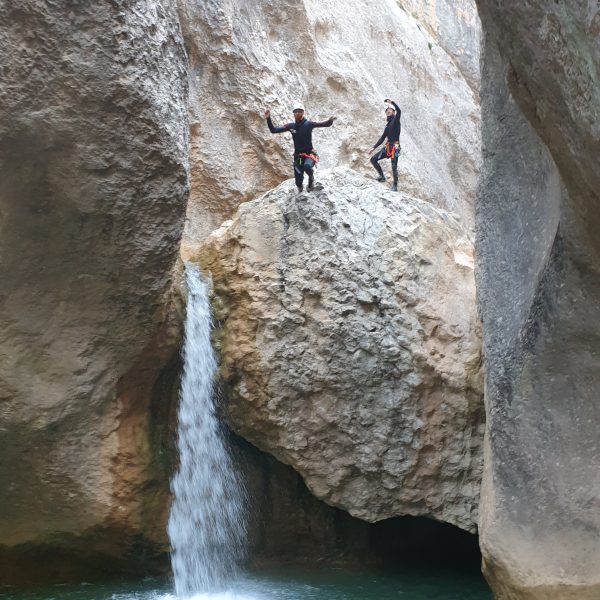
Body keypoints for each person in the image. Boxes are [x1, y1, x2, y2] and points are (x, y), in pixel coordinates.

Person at [265, 103, 336, 192]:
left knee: (307, 166)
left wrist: (330, 120)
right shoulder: (291, 126)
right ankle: (300, 188)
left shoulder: (309, 124)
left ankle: (311, 179)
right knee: (298, 182)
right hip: (298, 157)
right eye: (296, 112)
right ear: (293, 113)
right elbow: (274, 130)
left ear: (303, 113)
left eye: (300, 111)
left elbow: (325, 124)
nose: (298, 113)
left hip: (309, 154)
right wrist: (268, 119)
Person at [368, 98, 401, 191]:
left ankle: (395, 186)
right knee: (373, 159)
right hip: (388, 147)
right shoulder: (388, 125)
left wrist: (392, 102)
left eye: (389, 110)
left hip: (396, 147)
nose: (387, 111)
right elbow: (382, 138)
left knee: (394, 166)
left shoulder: (396, 120)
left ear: (393, 112)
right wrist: (373, 148)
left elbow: (399, 111)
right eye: (386, 111)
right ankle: (382, 177)